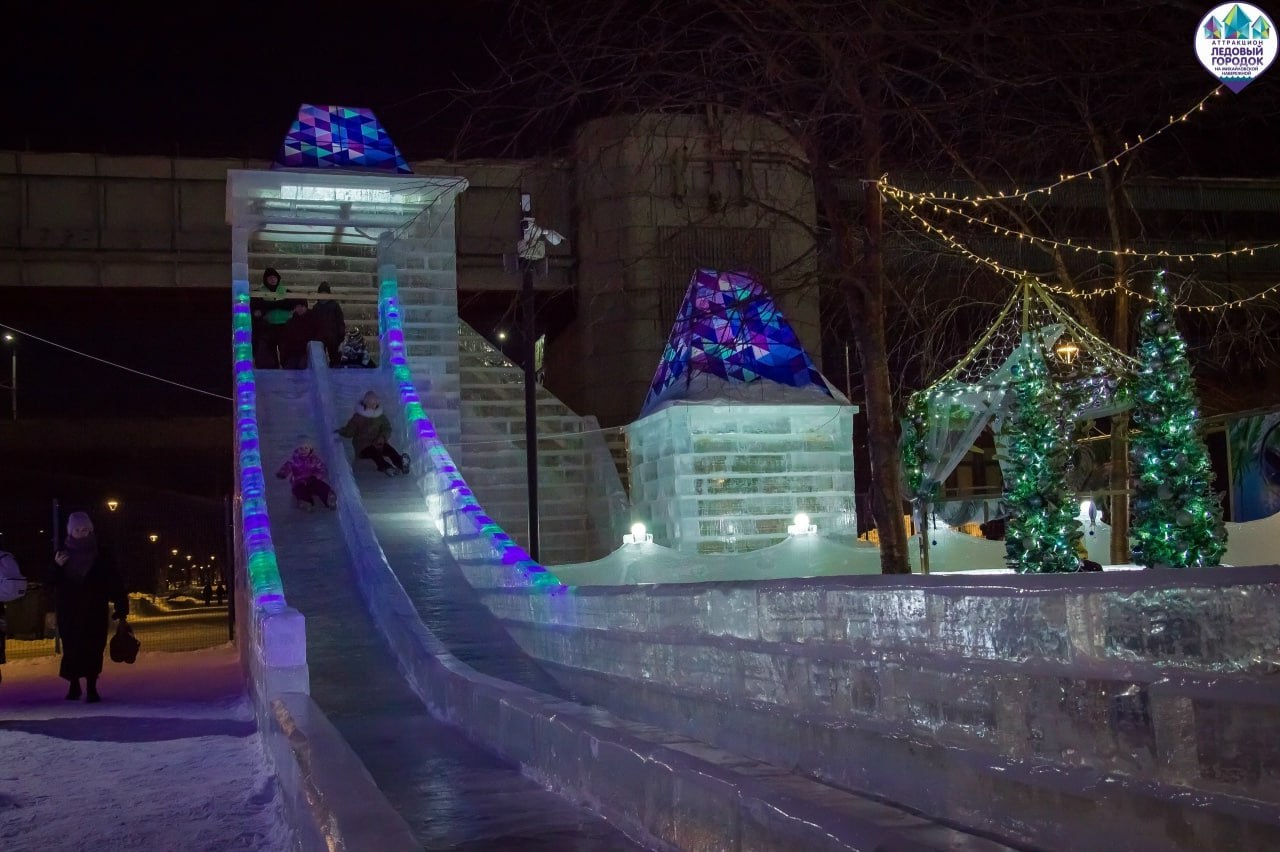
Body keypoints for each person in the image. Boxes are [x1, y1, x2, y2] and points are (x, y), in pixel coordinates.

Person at [50, 512, 129, 702]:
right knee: (72, 647)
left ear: (90, 530)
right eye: (77, 529)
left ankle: (92, 686)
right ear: (70, 531)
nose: (81, 532)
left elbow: (115, 581)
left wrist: (121, 607)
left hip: (95, 609)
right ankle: (74, 684)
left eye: (84, 529)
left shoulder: (102, 554)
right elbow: (51, 583)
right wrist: (56, 567)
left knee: (94, 647)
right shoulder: (62, 554)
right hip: (69, 611)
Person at [336, 391, 411, 476]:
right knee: (374, 453)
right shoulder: (358, 417)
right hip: (363, 447)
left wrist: (382, 437)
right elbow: (350, 431)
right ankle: (386, 467)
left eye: (375, 404)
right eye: (371, 404)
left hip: (378, 443)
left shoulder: (380, 417)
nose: (373, 406)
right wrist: (343, 431)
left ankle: (401, 464)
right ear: (365, 403)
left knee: (389, 450)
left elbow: (387, 428)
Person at [250, 267, 305, 369]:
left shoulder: (286, 291)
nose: (272, 279)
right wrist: (280, 304)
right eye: (270, 277)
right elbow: (256, 308)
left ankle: (287, 370)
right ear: (265, 279)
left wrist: (269, 306)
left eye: (274, 277)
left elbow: (292, 304)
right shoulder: (259, 292)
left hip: (285, 326)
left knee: (286, 351)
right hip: (268, 327)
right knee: (269, 354)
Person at [276, 438, 338, 510]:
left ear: (310, 449)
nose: (303, 450)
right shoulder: (293, 460)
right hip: (298, 481)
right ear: (297, 449)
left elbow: (322, 469)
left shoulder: (314, 459)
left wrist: (316, 476)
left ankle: (328, 498)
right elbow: (287, 466)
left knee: (321, 486)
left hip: (312, 480)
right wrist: (282, 473)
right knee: (298, 490)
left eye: (306, 448)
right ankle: (305, 502)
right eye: (301, 448)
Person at [310, 282, 346, 367]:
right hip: (319, 338)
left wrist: (341, 336)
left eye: (325, 293)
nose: (323, 295)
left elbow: (340, 321)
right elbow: (313, 324)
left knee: (335, 361)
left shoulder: (335, 306)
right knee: (320, 362)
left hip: (334, 338)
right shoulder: (316, 307)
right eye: (322, 293)